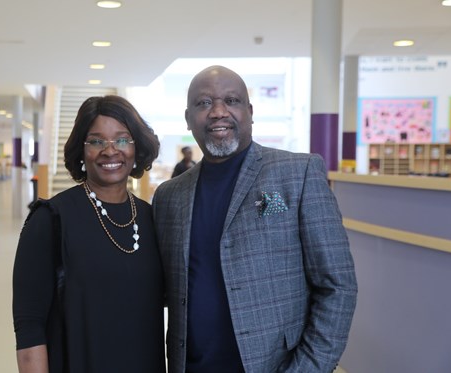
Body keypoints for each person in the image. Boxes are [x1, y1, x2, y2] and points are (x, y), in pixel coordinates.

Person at [152, 66, 357, 373]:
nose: (218, 112)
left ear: (249, 111)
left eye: (231, 100)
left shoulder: (298, 173)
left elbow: (337, 286)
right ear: (187, 117)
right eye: (204, 103)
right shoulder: (169, 196)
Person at [13, 95, 166, 373]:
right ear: (82, 151)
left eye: (122, 140)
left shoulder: (151, 218)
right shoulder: (50, 219)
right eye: (96, 141)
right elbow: (29, 326)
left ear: (136, 148)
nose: (110, 151)